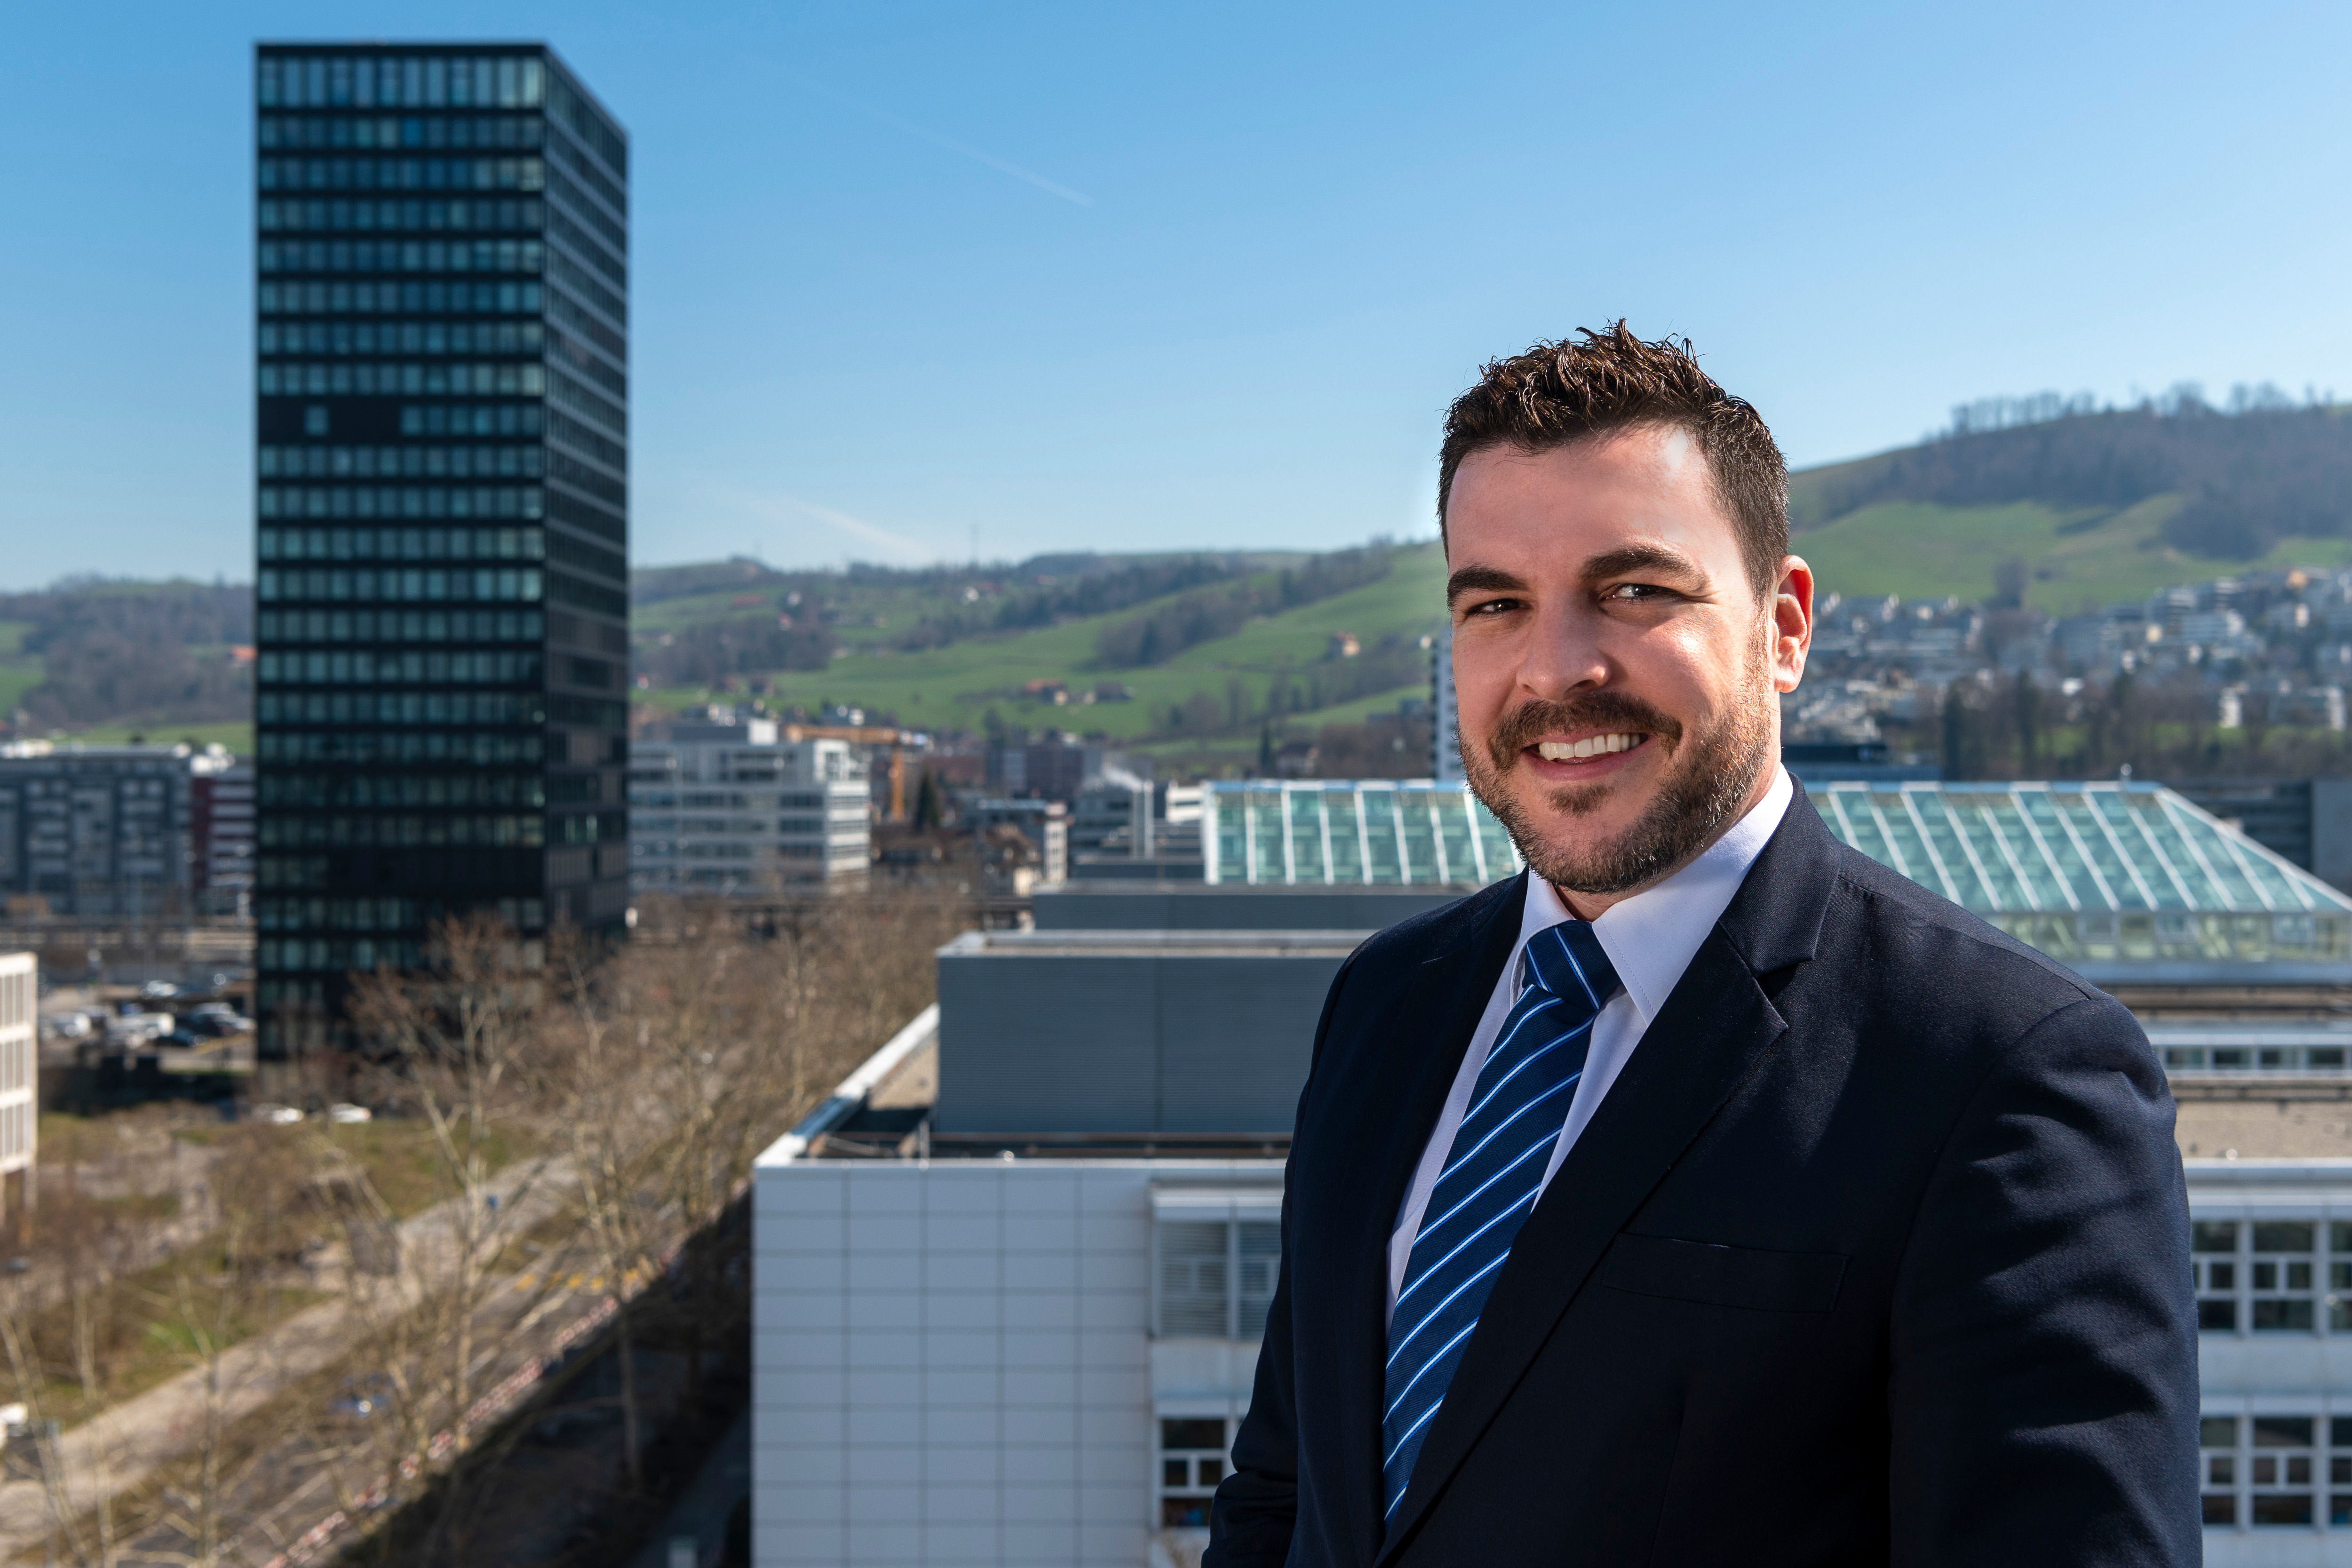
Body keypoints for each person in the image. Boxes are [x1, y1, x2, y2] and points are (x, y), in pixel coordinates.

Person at [1205, 325, 2198, 1567]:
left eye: (1635, 591)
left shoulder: (2001, 1073)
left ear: (1784, 627)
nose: (1556, 671)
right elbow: (1286, 1489)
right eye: (1497, 605)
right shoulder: (1388, 1000)